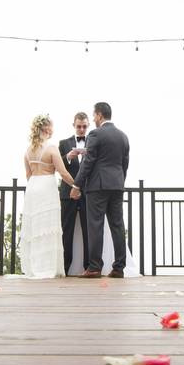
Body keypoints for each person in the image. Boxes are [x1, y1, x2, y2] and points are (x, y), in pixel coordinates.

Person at [71, 102, 130, 278]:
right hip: (117, 185)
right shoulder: (123, 136)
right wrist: (120, 181)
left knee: (95, 226)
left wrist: (76, 185)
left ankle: (95, 267)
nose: (94, 118)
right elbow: (125, 164)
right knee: (118, 225)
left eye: (94, 115)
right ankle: (119, 268)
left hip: (97, 187)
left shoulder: (95, 134)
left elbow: (88, 162)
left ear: (98, 115)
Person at [20, 114, 75, 278]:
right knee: (48, 228)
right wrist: (77, 185)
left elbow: (28, 175)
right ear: (47, 128)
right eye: (52, 126)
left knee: (35, 228)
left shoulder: (28, 151)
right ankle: (47, 267)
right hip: (46, 188)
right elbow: (63, 173)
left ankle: (34, 267)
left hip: (32, 188)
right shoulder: (51, 149)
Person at [58, 112, 90, 274]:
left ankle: (89, 268)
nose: (82, 129)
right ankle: (64, 268)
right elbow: (57, 166)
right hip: (67, 193)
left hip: (88, 194)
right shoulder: (63, 143)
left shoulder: (93, 142)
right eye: (79, 126)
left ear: (88, 126)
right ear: (73, 125)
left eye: (84, 126)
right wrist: (68, 157)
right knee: (66, 231)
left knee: (89, 232)